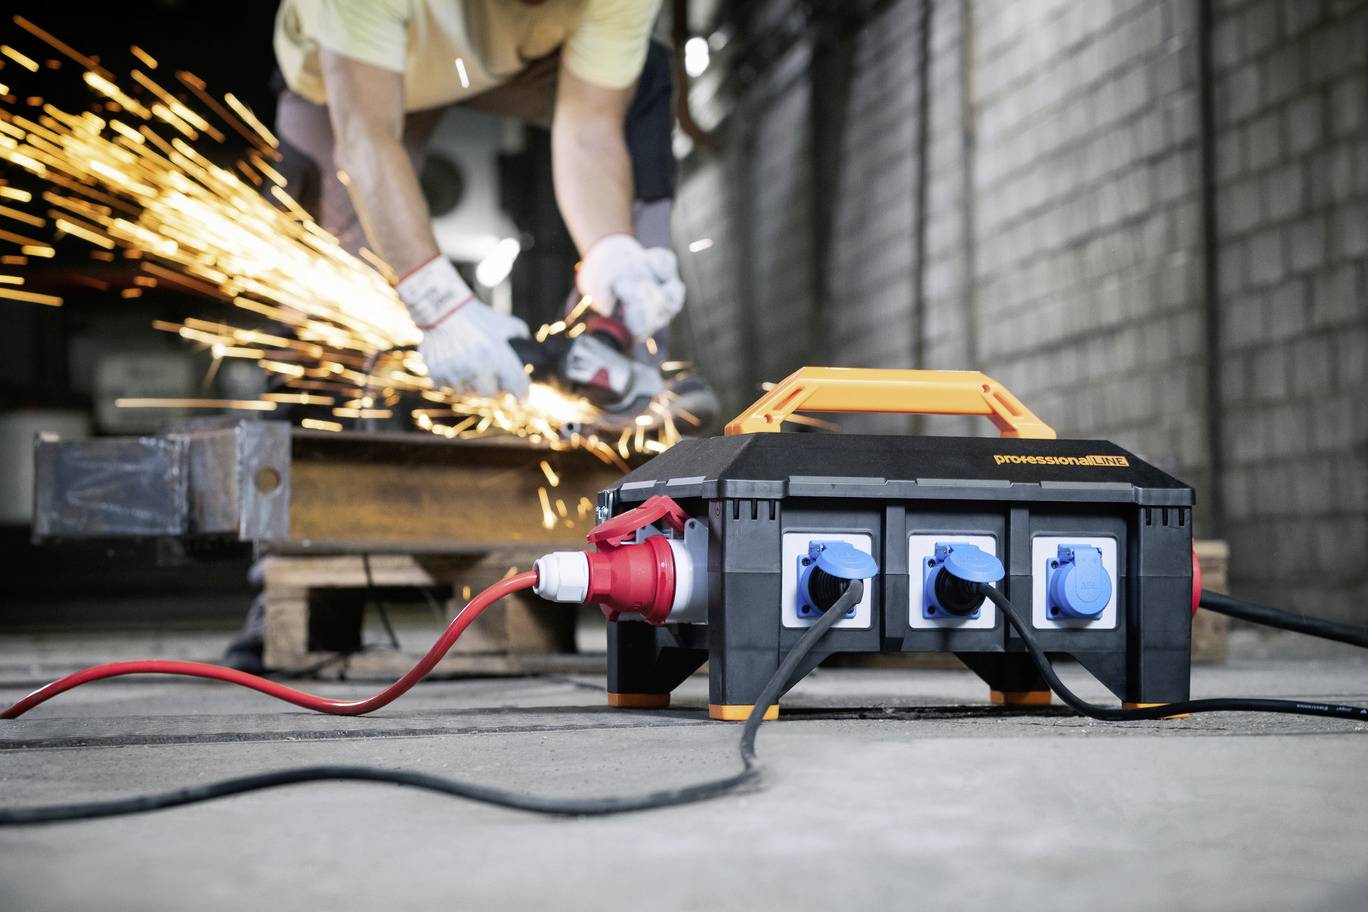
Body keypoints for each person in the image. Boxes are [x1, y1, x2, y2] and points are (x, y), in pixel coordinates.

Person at [272, 0, 692, 400]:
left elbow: (590, 127)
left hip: (490, 69)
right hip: (345, 82)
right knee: (328, 304)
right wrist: (440, 305)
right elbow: (367, 140)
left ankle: (620, 358)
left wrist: (611, 251)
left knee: (641, 75)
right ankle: (317, 414)